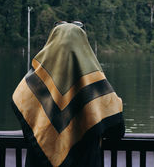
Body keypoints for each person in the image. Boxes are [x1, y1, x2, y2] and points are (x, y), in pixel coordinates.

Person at [12, 21, 125, 166]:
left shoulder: (32, 84)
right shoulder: (97, 85)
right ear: (85, 48)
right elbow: (116, 132)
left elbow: (25, 122)